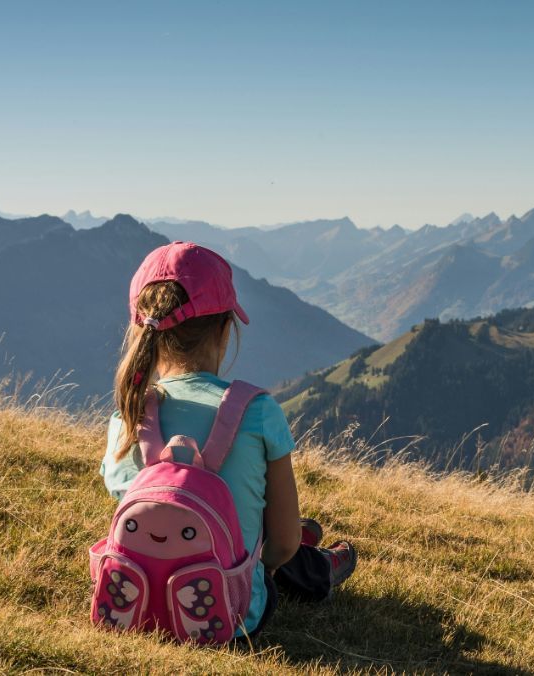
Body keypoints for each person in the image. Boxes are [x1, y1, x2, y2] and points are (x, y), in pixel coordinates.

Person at [99, 241, 357, 638]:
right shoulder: (257, 411)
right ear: (224, 330)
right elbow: (282, 547)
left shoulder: (128, 415)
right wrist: (263, 560)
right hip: (233, 617)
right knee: (275, 537)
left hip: (133, 606)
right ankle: (319, 566)